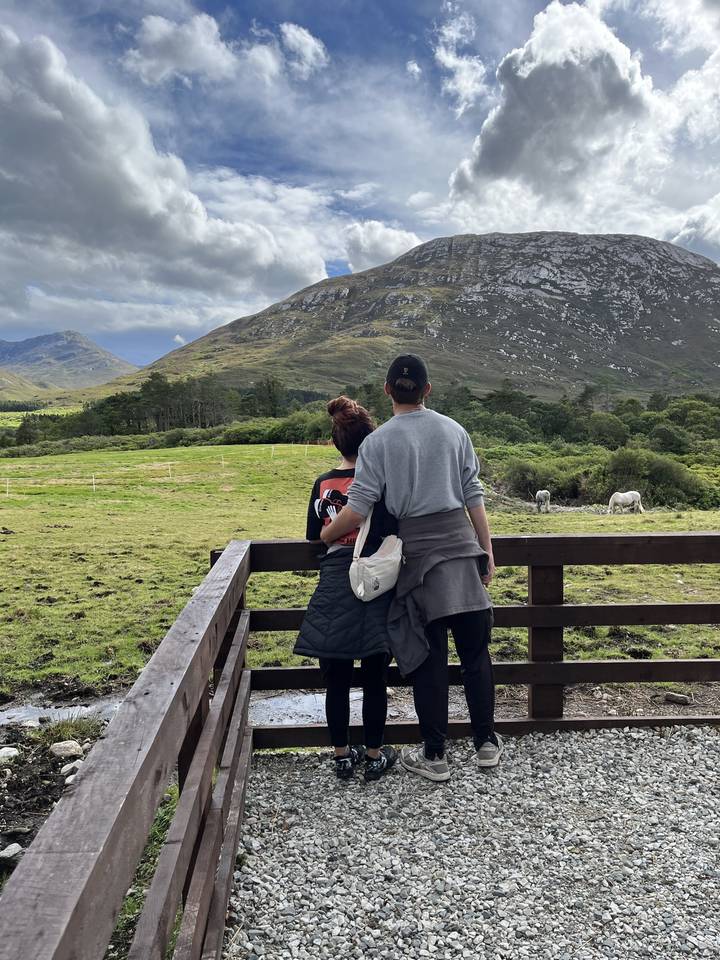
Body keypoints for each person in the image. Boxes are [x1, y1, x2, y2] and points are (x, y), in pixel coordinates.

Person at [320, 355, 501, 782]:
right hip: (461, 547)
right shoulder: (454, 430)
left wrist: (327, 535)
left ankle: (436, 757)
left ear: (387, 392)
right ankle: (486, 744)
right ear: (427, 390)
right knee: (476, 655)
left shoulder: (377, 443)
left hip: (418, 557)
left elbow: (359, 506)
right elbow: (473, 494)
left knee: (430, 657)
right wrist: (486, 552)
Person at [294, 396, 398, 782]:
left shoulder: (323, 483)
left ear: (336, 442)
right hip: (374, 582)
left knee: (334, 677)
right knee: (375, 676)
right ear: (371, 440)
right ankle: (373, 754)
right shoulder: (379, 481)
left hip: (334, 580)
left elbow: (313, 537)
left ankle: (340, 755)